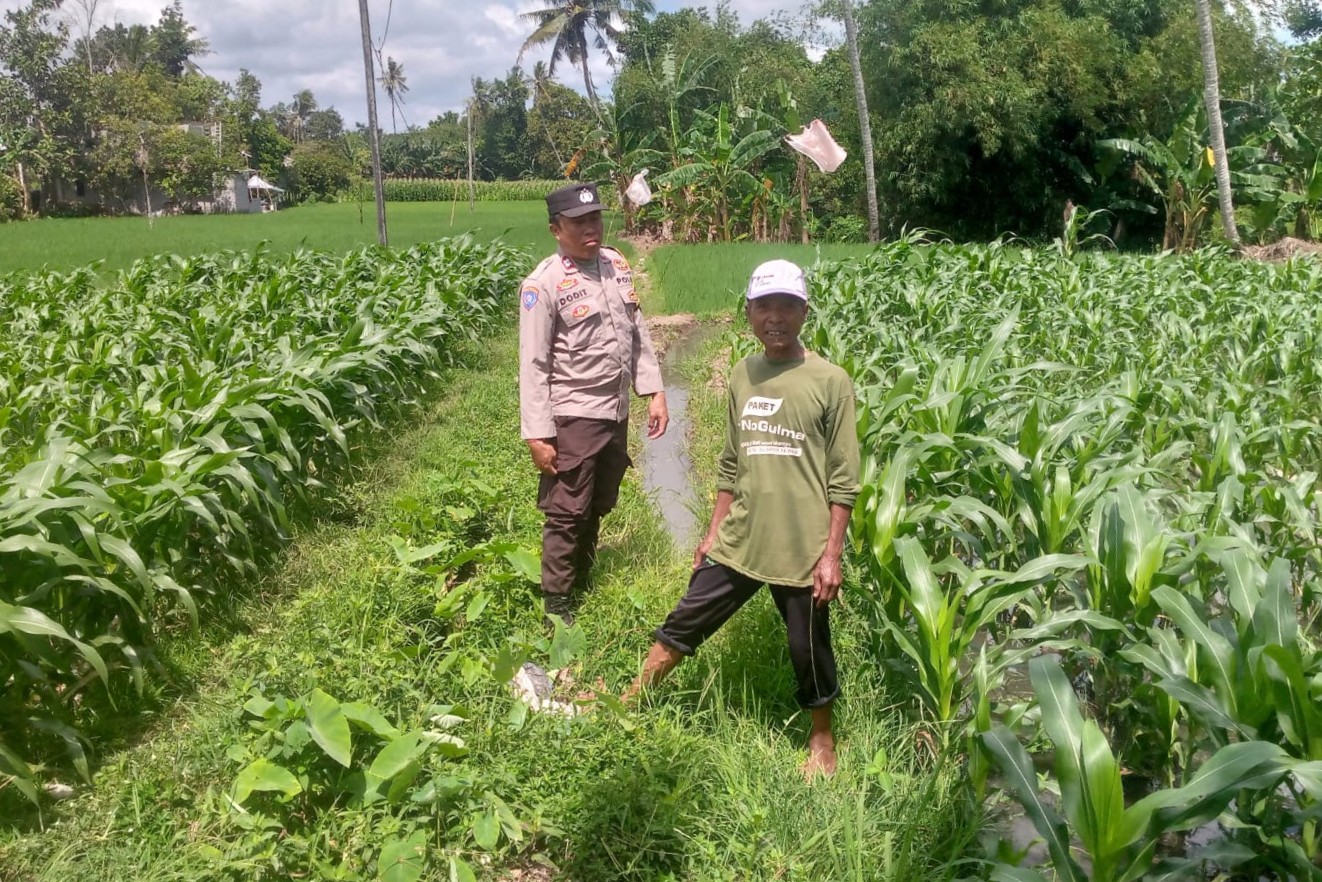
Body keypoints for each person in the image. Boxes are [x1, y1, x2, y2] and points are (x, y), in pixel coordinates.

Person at [623, 259, 860, 778]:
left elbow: (844, 478)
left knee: (810, 648)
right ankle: (632, 698)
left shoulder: (830, 380)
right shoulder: (742, 374)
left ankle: (823, 738)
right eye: (764, 307)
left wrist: (831, 554)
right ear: (749, 313)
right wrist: (710, 534)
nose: (775, 317)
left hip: (802, 546)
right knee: (687, 618)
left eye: (787, 306)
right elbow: (731, 463)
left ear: (803, 312)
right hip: (740, 537)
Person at [519, 182, 669, 626]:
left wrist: (654, 390)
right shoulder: (543, 283)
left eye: (596, 219)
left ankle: (582, 576)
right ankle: (557, 605)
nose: (591, 228)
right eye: (579, 222)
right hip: (574, 412)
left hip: (615, 408)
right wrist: (538, 433)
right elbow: (533, 363)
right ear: (555, 229)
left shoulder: (616, 263)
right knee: (567, 510)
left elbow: (636, 328)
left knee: (599, 499)